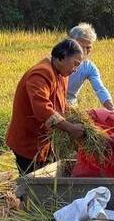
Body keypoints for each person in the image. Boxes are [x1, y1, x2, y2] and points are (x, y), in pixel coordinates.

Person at [6, 38, 85, 175]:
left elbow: (60, 103)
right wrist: (70, 128)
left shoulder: (62, 75)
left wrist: (77, 117)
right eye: (75, 64)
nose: (75, 69)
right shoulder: (41, 74)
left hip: (44, 142)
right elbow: (42, 110)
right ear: (62, 57)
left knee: (46, 180)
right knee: (32, 184)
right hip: (28, 142)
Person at [67, 23, 114, 112]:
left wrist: (112, 110)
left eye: (88, 47)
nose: (84, 51)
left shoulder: (88, 67)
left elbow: (100, 89)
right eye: (81, 46)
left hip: (70, 107)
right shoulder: (58, 60)